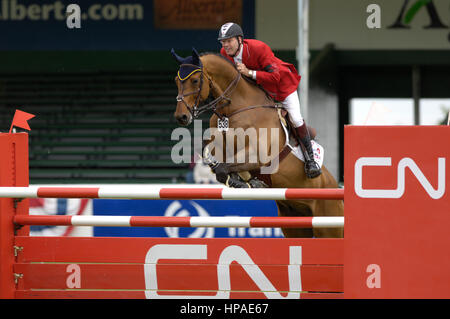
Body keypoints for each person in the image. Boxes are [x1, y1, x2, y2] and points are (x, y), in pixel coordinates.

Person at [218, 22, 321, 178]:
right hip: (260, 91)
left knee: (296, 118)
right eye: (223, 41)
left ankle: (311, 160)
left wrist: (249, 72)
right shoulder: (224, 54)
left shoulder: (258, 48)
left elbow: (275, 77)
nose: (226, 45)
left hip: (282, 87)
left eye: (229, 41)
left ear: (240, 39)